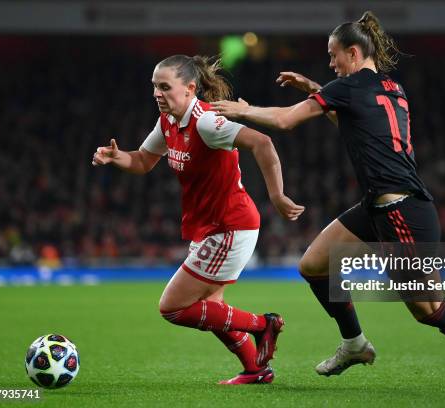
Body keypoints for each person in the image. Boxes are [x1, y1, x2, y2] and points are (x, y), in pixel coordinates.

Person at [211, 11, 445, 390]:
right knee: (315, 265)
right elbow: (353, 119)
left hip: (403, 211)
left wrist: (241, 111)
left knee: (430, 309)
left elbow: (285, 121)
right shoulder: (391, 87)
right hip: (378, 206)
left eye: (333, 56)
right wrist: (315, 89)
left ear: (352, 52)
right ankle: (354, 343)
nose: (331, 64)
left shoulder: (347, 88)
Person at [92, 55, 305, 385]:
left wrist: (277, 196)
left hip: (230, 226)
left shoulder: (205, 122)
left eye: (165, 87)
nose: (157, 94)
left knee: (174, 307)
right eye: (154, 88)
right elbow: (144, 160)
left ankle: (264, 325)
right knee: (210, 308)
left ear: (190, 89)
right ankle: (256, 370)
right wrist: (116, 156)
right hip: (209, 227)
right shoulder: (168, 122)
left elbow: (262, 142)